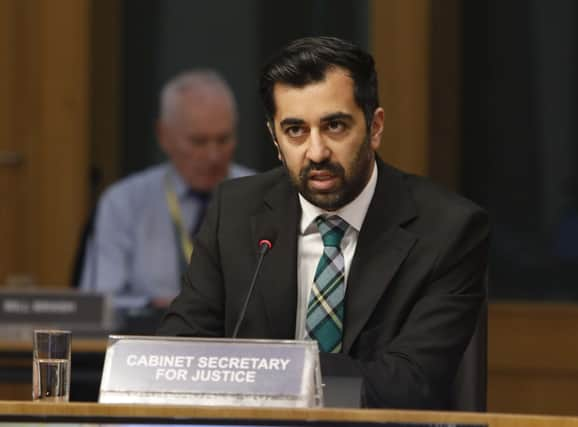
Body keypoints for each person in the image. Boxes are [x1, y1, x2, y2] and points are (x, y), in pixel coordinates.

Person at [158, 37, 489, 409]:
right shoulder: (235, 212)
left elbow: (411, 384)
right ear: (275, 138)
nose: (316, 152)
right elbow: (180, 353)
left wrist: (266, 374)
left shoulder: (447, 229)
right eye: (295, 130)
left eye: (334, 126)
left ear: (375, 127)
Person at [80, 69, 253, 309]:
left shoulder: (262, 197)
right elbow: (97, 302)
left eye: (223, 140)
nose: (214, 156)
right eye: (198, 142)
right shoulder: (123, 202)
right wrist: (153, 306)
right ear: (164, 136)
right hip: (151, 337)